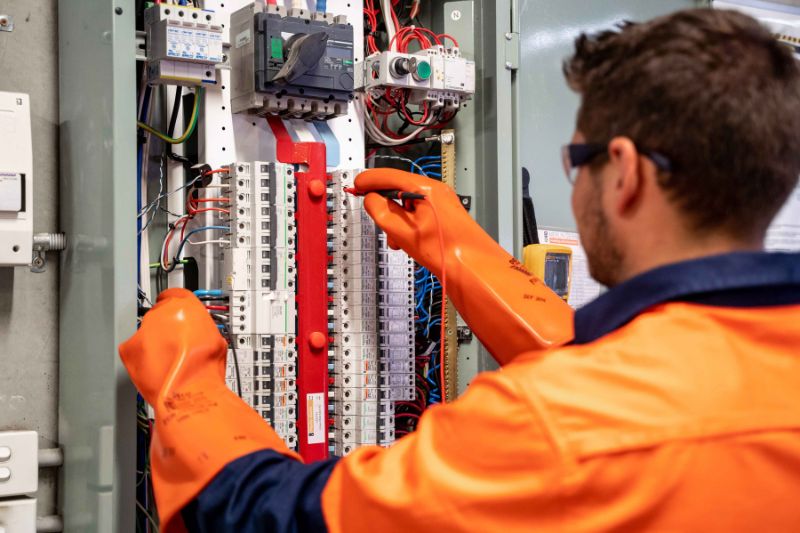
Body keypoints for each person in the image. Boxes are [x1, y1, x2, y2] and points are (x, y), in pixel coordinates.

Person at [120, 8, 800, 533]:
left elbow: (286, 517)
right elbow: (668, 376)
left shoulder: (549, 425)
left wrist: (190, 392)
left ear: (621, 171)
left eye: (576, 162)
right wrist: (469, 259)